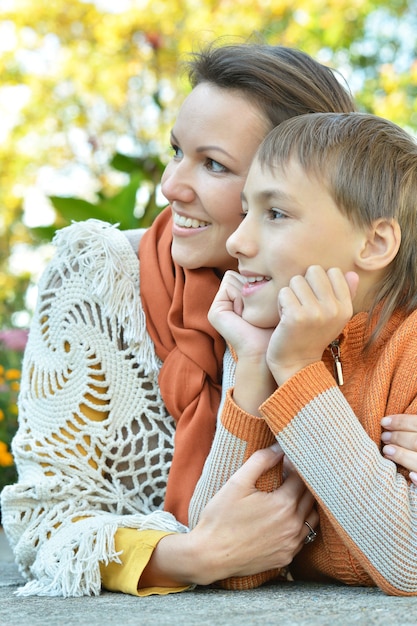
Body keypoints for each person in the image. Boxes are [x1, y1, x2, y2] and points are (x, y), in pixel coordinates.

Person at [0, 41, 357, 598]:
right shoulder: (99, 278)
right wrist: (193, 556)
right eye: (176, 152)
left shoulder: (357, 295)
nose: (171, 188)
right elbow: (42, 520)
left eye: (213, 164)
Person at [191, 111, 417, 595]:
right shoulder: (270, 345)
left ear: (375, 242)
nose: (237, 240)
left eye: (275, 214)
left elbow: (410, 563)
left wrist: (297, 369)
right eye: (246, 210)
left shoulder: (409, 352)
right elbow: (224, 558)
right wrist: (253, 365)